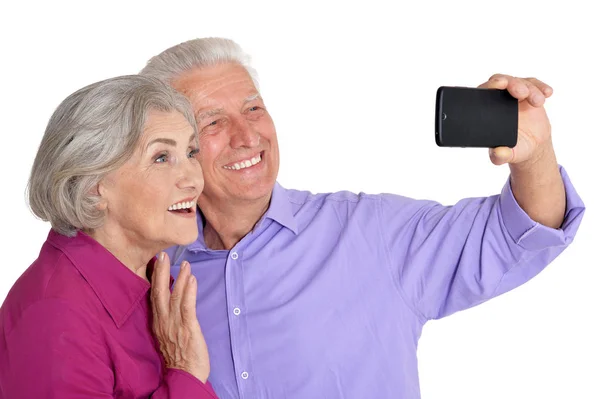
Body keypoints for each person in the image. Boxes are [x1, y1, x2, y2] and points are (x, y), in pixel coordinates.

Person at [140, 37, 586, 399]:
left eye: (253, 109)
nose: (247, 135)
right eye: (213, 122)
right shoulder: (154, 271)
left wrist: (535, 157)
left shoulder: (372, 232)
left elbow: (524, 231)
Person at [0, 75, 219, 398]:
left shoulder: (153, 280)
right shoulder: (58, 316)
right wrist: (184, 373)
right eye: (161, 157)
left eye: (190, 152)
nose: (193, 179)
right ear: (93, 184)